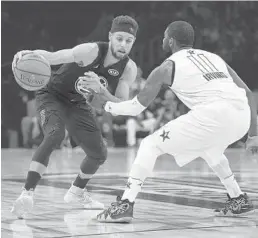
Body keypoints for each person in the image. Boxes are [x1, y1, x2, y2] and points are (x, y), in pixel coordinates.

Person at [87, 21, 258, 223]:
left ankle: (125, 203)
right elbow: (247, 92)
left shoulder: (167, 67)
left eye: (164, 37)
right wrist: (254, 134)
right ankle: (238, 198)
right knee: (210, 150)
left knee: (150, 144)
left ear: (170, 41)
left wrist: (106, 101)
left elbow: (135, 107)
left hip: (214, 114)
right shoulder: (215, 58)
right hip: (241, 116)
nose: (162, 40)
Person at [11, 15, 138, 219]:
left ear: (133, 42)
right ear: (110, 36)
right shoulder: (90, 51)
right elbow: (53, 57)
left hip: (76, 103)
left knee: (99, 153)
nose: (123, 44)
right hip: (52, 94)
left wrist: (102, 91)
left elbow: (120, 105)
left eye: (128, 40)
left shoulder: (128, 69)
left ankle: (76, 192)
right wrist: (29, 54)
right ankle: (27, 193)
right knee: (55, 135)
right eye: (119, 38)